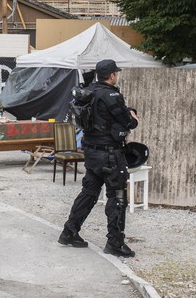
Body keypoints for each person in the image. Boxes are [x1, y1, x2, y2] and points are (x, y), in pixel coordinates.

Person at [58, 59, 139, 257]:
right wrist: (133, 115)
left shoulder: (89, 92)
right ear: (111, 75)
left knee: (89, 193)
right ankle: (115, 243)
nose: (116, 76)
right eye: (116, 73)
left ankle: (69, 231)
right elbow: (128, 123)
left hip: (91, 152)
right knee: (117, 197)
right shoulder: (111, 95)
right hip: (110, 153)